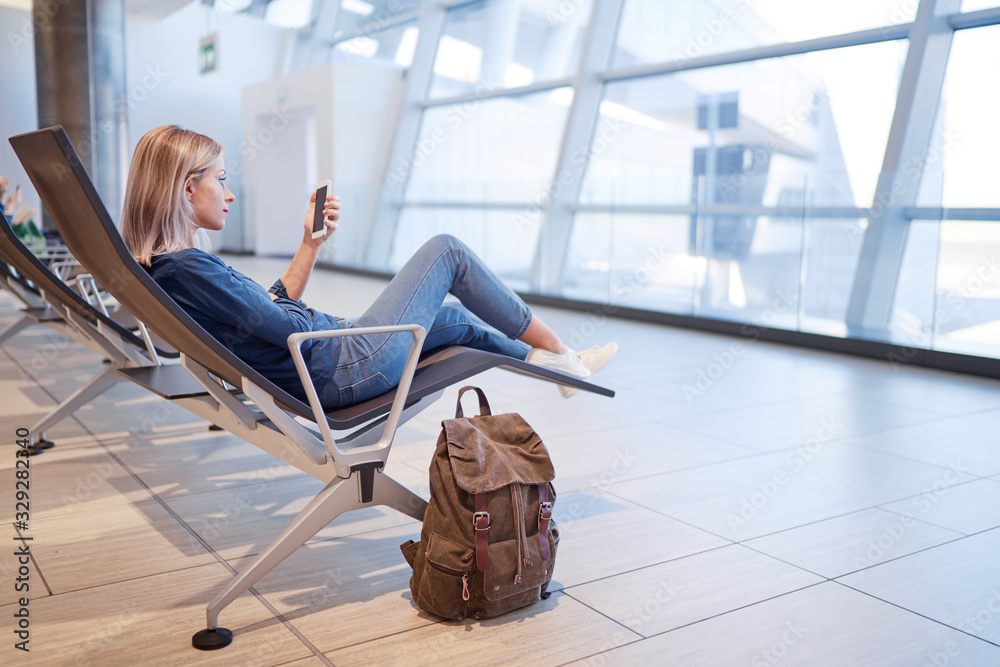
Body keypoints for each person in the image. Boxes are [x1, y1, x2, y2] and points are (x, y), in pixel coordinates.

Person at [120, 125, 615, 408]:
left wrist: (308, 245)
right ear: (187, 188)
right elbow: (279, 321)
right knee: (447, 251)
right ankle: (559, 351)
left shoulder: (174, 269)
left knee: (452, 318)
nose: (229, 194)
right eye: (219, 180)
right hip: (340, 367)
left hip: (330, 358)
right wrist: (290, 310)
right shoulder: (188, 269)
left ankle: (551, 364)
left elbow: (269, 315)